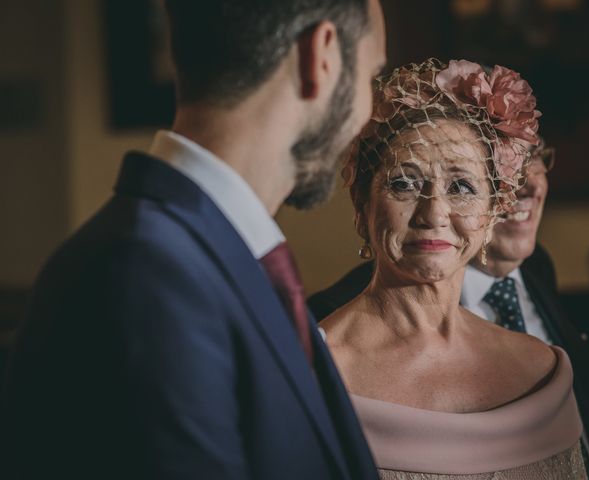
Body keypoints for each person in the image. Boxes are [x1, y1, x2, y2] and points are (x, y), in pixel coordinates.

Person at [1, 1, 387, 479]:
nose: (366, 113)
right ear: (321, 57)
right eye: (372, 76)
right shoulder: (146, 278)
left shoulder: (213, 255)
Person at [318, 59, 589, 478]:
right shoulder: (311, 370)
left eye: (461, 187)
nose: (434, 212)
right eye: (404, 183)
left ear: (493, 215)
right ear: (362, 207)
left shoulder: (544, 372)